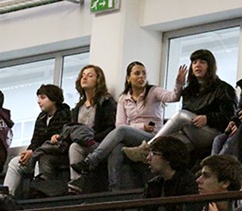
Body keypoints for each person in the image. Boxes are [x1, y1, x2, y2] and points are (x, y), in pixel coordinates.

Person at [67, 62, 185, 193]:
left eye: (144, 73)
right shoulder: (124, 98)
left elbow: (173, 98)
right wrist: (140, 126)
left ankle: (91, 161)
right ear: (128, 78)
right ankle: (114, 189)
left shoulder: (153, 91)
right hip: (133, 135)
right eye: (137, 73)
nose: (141, 76)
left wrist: (179, 84)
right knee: (116, 148)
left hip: (154, 136)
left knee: (122, 131)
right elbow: (120, 124)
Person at [123, 49, 237, 164]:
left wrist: (207, 118)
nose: (197, 65)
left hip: (212, 132)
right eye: (194, 62)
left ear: (210, 66)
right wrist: (180, 84)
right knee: (166, 147)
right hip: (192, 133)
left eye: (202, 62)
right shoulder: (189, 91)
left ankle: (146, 148)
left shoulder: (224, 89)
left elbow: (229, 117)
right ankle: (151, 166)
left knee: (181, 115)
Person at [3, 84, 71, 196]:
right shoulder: (41, 118)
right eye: (38, 98)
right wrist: (29, 151)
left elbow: (58, 142)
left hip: (54, 155)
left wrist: (34, 152)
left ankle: (38, 191)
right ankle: (6, 195)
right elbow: (35, 140)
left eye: (43, 98)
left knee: (40, 158)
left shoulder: (65, 114)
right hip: (37, 153)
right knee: (15, 163)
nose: (39, 101)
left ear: (54, 99)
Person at [54, 64, 116, 184]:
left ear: (98, 80)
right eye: (83, 76)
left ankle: (76, 182)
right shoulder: (78, 107)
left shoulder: (105, 102)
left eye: (89, 75)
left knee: (75, 147)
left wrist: (93, 138)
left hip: (98, 143)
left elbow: (111, 127)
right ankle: (75, 182)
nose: (84, 78)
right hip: (81, 142)